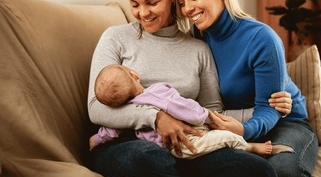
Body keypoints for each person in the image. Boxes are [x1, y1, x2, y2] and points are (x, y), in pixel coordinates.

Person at [87, 0, 291, 177]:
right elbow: (96, 107)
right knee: (151, 159)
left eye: (152, 2)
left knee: (257, 171)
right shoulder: (115, 38)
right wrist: (156, 118)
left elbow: (212, 110)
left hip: (187, 144)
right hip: (125, 142)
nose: (143, 13)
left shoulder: (198, 48)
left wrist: (267, 108)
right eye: (134, 4)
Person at [175, 0, 319, 177]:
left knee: (283, 172)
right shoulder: (194, 40)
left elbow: (270, 108)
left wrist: (243, 130)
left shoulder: (261, 38)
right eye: (182, 2)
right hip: (232, 125)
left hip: (285, 123)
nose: (188, 9)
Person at [90, 64, 273, 158]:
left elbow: (109, 131)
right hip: (183, 142)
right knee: (221, 138)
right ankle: (248, 146)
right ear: (134, 74)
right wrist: (206, 116)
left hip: (167, 145)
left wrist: (96, 139)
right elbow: (184, 107)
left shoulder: (125, 111)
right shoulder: (159, 91)